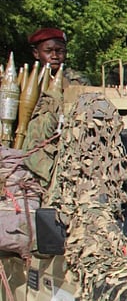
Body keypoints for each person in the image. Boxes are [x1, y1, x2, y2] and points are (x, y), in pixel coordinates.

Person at [21, 28, 91, 187]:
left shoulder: (77, 81)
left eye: (60, 51)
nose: (54, 56)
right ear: (36, 53)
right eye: (48, 51)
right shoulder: (28, 79)